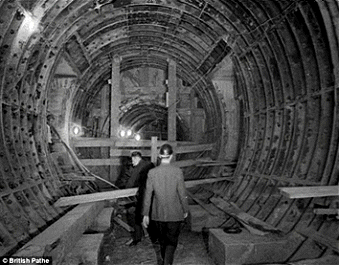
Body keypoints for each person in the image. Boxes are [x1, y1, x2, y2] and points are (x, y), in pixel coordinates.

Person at [142, 144, 189, 265]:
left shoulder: (152, 172)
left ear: (159, 156)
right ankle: (167, 263)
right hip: (175, 214)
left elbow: (147, 195)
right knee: (172, 242)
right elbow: (182, 193)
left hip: (158, 214)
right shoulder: (177, 171)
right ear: (171, 156)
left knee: (162, 241)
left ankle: (165, 261)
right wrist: (185, 209)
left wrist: (145, 214)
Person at [123, 151, 154, 246]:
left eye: (133, 160)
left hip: (145, 194)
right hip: (154, 193)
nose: (132, 163)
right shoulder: (150, 164)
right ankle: (152, 236)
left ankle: (137, 238)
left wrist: (125, 192)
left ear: (137, 158)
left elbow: (130, 183)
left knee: (135, 215)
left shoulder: (140, 167)